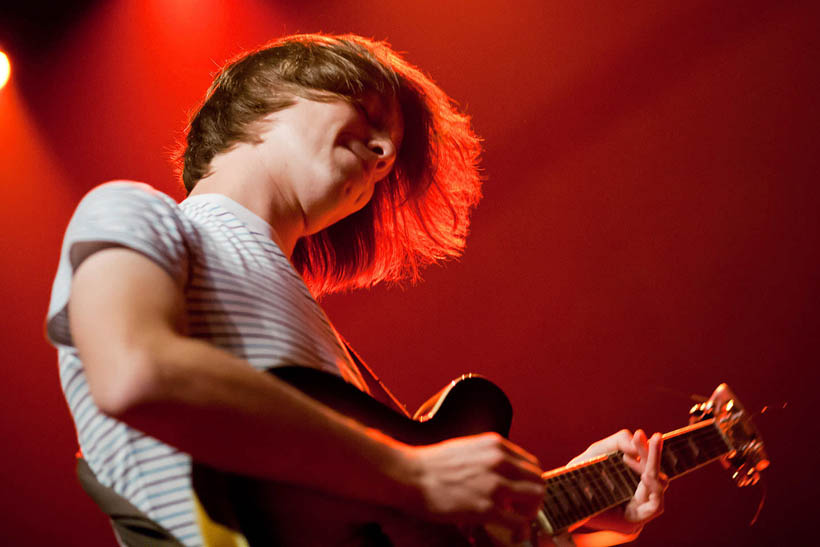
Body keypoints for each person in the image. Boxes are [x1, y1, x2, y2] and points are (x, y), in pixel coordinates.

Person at [46, 34, 666, 546]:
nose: (384, 152)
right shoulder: (136, 213)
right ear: (263, 101)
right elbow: (136, 371)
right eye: (368, 118)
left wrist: (578, 520)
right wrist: (414, 472)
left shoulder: (333, 352)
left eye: (387, 162)